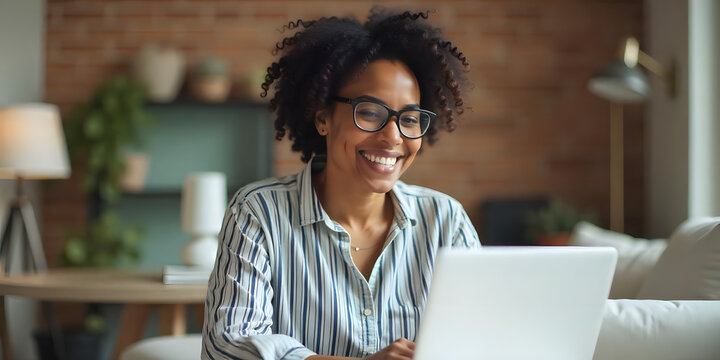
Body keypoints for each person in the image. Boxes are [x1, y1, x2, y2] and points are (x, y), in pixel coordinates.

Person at [202, 8, 480, 360]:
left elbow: (482, 336)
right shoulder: (259, 213)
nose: (392, 137)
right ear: (322, 118)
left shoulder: (446, 220)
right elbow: (227, 348)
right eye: (369, 112)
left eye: (409, 118)